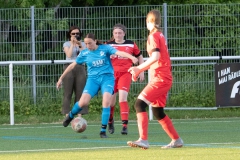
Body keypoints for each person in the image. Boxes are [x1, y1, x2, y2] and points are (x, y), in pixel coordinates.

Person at [56, 33, 138, 138]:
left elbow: (119, 52)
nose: (88, 45)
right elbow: (72, 65)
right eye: (86, 44)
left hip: (107, 79)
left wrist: (132, 57)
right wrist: (60, 78)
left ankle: (103, 130)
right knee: (83, 102)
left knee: (106, 101)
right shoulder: (85, 53)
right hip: (93, 80)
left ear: (95, 41)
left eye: (90, 43)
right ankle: (70, 115)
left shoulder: (105, 48)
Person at [127, 10, 184, 149]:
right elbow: (158, 58)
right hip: (162, 77)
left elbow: (155, 57)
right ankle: (176, 140)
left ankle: (143, 140)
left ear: (149, 22)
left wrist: (139, 68)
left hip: (161, 78)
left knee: (139, 104)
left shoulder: (153, 36)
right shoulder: (160, 35)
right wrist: (142, 70)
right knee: (158, 112)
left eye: (146, 22)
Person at [106, 23, 144, 135]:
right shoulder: (108, 45)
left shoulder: (131, 44)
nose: (118, 35)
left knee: (122, 98)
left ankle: (124, 126)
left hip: (125, 73)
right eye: (116, 33)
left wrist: (140, 70)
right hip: (111, 75)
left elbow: (139, 56)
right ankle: (110, 121)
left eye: (120, 33)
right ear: (113, 34)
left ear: (124, 33)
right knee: (110, 101)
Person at [61, 26, 88, 117]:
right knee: (68, 92)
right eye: (73, 34)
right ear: (69, 34)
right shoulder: (66, 44)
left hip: (80, 67)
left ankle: (79, 114)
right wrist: (72, 44)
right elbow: (68, 54)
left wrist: (79, 44)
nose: (75, 35)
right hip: (69, 67)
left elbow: (85, 55)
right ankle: (67, 114)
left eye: (77, 34)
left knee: (80, 91)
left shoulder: (83, 44)